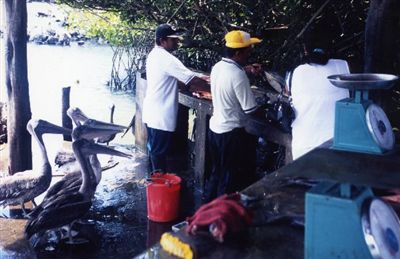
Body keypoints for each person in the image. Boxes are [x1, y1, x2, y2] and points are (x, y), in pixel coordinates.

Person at [203, 30, 262, 202]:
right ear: (238, 53)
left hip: (215, 129)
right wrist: (266, 112)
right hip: (230, 134)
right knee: (228, 180)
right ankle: (221, 219)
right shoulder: (238, 75)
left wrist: (247, 69)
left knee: (217, 173)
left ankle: (204, 211)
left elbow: (230, 75)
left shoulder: (218, 67)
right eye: (248, 50)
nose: (250, 53)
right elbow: (250, 109)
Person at [142, 23, 209, 172]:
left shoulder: (154, 55)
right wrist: (216, 89)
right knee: (159, 154)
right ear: (162, 40)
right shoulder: (166, 58)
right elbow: (191, 80)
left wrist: (200, 77)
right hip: (161, 116)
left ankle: (154, 182)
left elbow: (179, 76)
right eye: (173, 39)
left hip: (152, 113)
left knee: (155, 152)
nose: (177, 42)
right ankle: (159, 187)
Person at [290, 34, 350, 160]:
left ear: (305, 49)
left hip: (304, 146)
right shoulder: (343, 66)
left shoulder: (296, 72)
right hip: (339, 144)